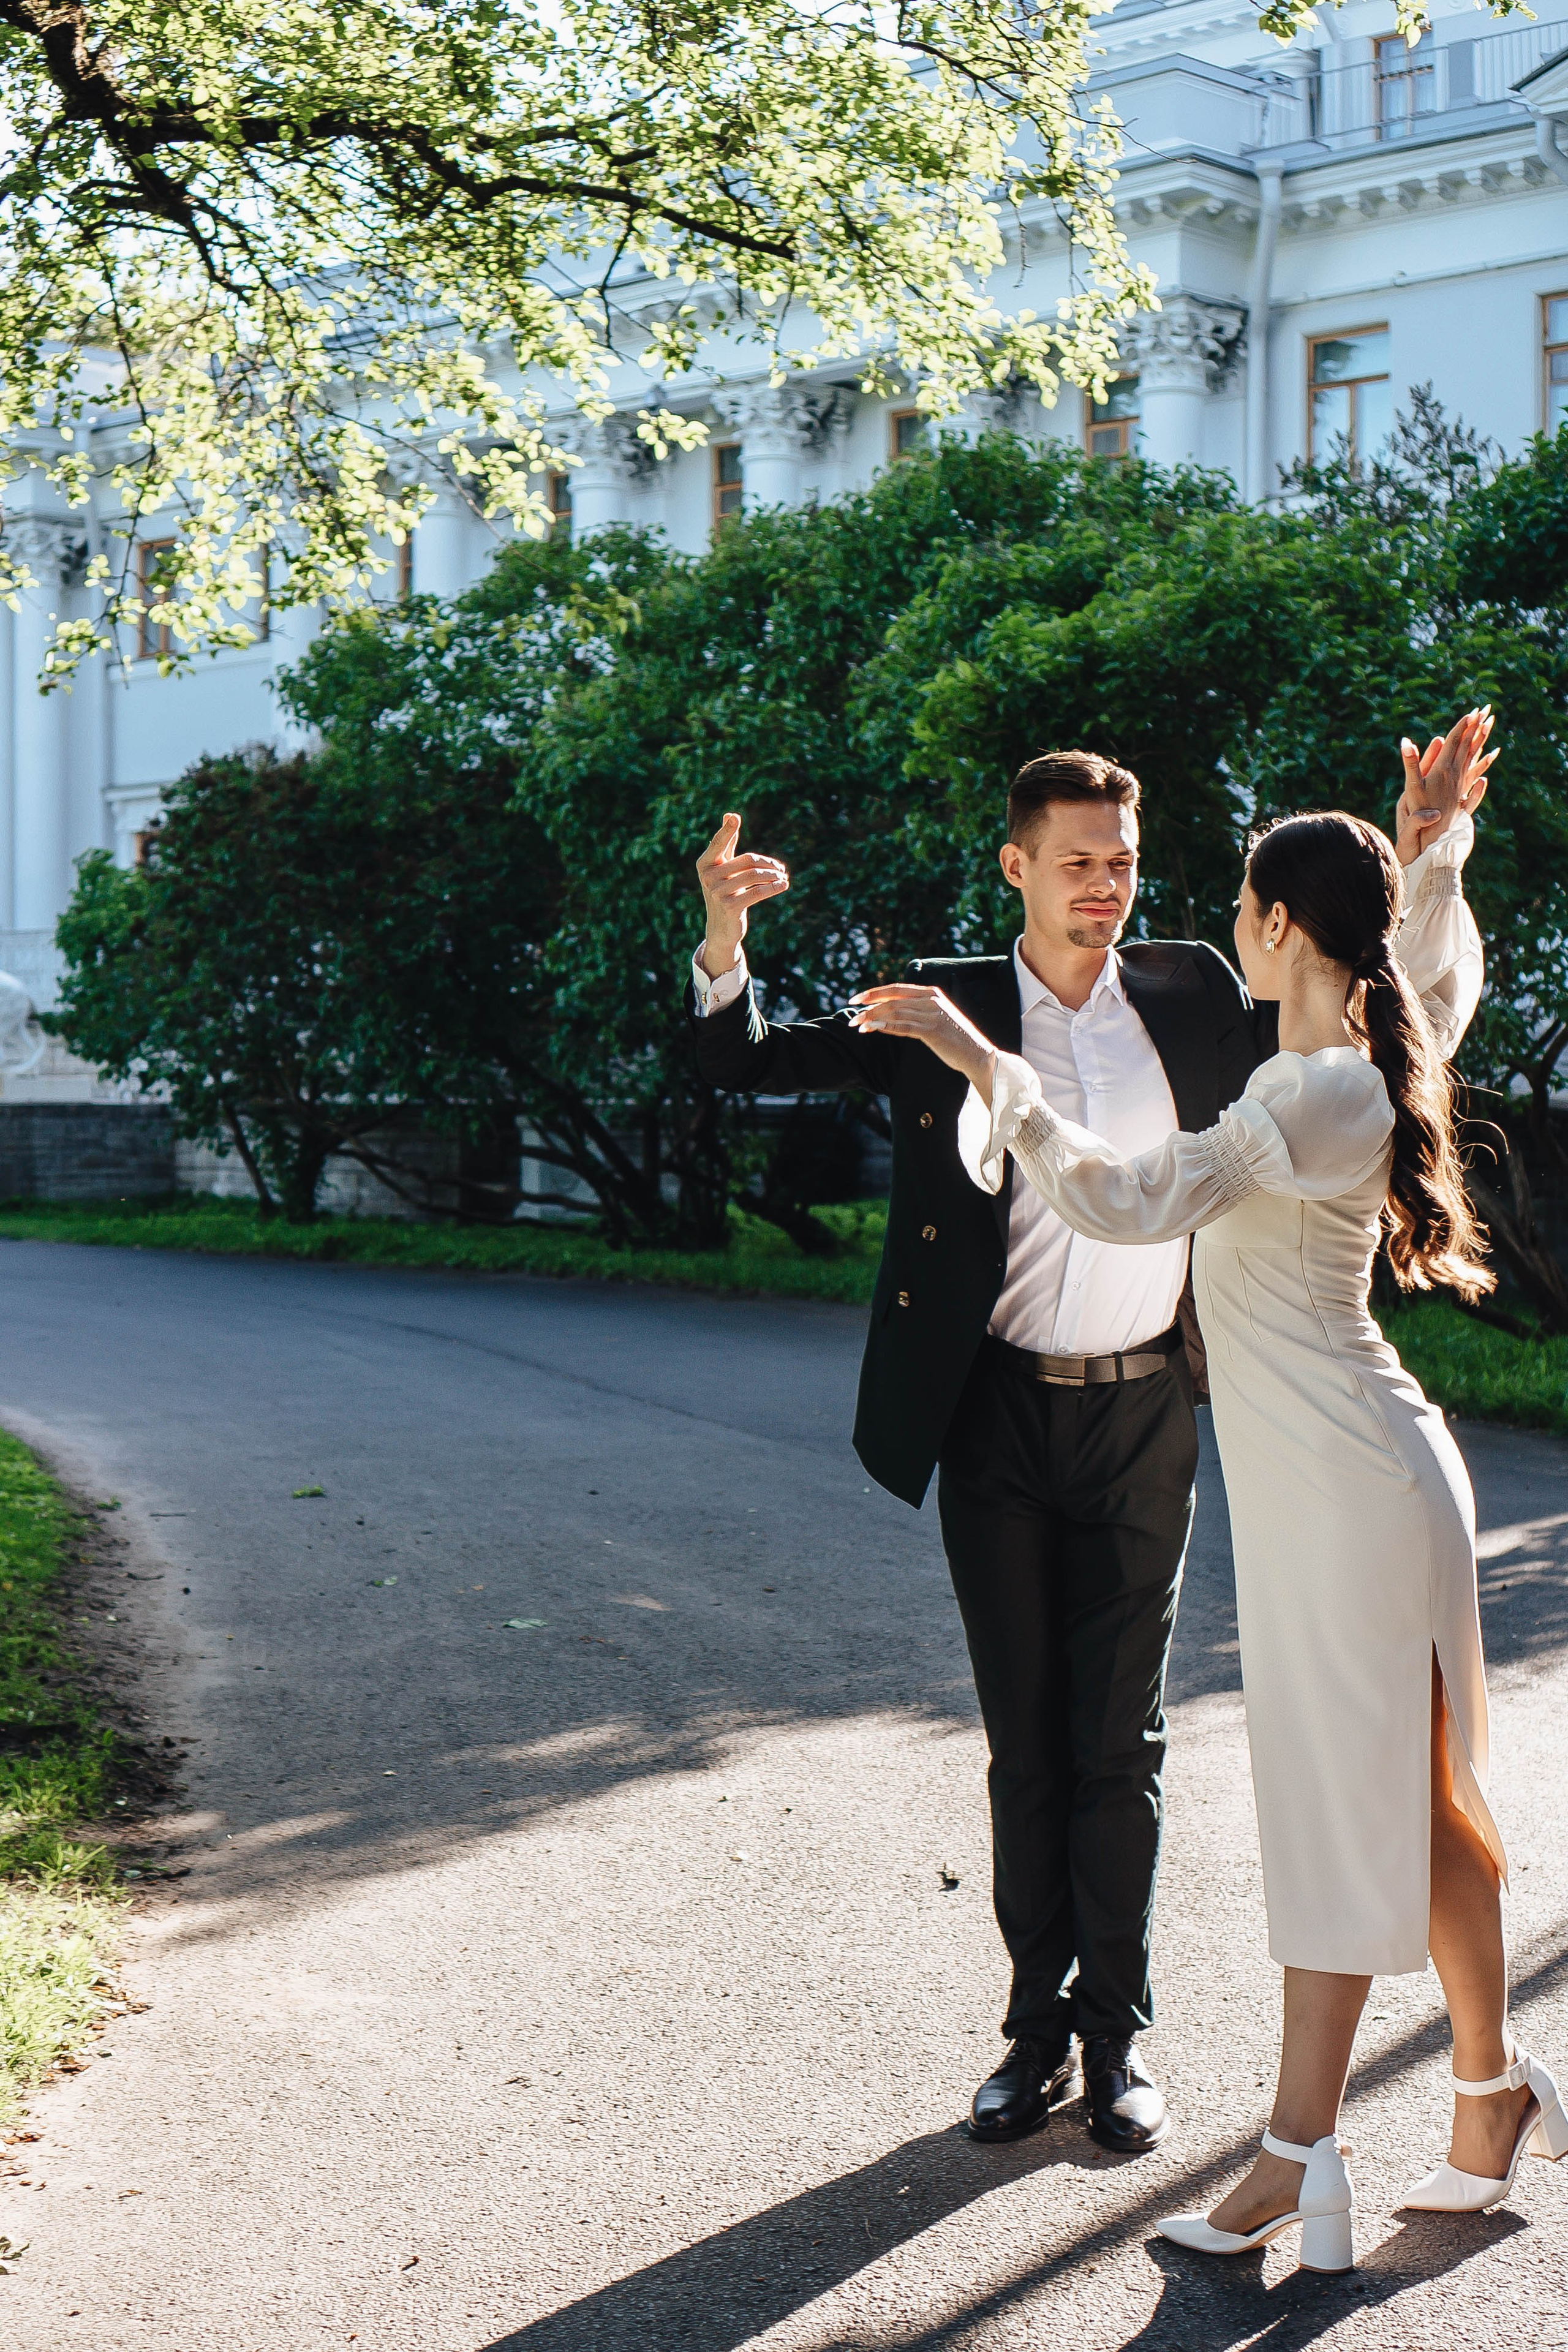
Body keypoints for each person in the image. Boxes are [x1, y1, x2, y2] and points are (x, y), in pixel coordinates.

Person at [687, 718, 1490, 2158]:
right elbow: (743, 1065)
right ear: (1015, 867)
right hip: (991, 1406)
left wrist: (1419, 858)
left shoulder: (1197, 992)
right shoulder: (946, 1004)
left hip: (1142, 1408)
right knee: (1026, 1743)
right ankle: (1030, 2035)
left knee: (1121, 1737)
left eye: (1122, 862)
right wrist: (721, 936)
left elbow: (1382, 1005)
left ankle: (1118, 2041)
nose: (1104, 886)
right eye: (1075, 863)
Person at [846, 787, 1566, 2271]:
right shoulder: (1351, 1056)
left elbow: (1120, 1200)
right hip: (1372, 1470)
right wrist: (1428, 851)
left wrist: (978, 1054)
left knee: (1338, 1813)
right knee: (1427, 1805)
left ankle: (1295, 2159)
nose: (1224, 927)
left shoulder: (1303, 1092)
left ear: (1279, 925)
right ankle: (1485, 2099)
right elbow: (1436, 974)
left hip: (1344, 1493)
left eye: (1242, 908)